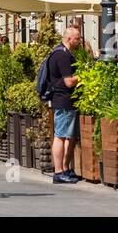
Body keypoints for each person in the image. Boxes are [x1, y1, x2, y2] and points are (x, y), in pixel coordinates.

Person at [46, 24, 83, 185]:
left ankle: (65, 168)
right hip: (63, 100)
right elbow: (69, 82)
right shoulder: (62, 55)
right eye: (77, 38)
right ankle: (59, 171)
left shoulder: (62, 53)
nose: (80, 41)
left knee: (69, 135)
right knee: (60, 135)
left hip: (65, 100)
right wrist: (83, 76)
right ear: (69, 39)